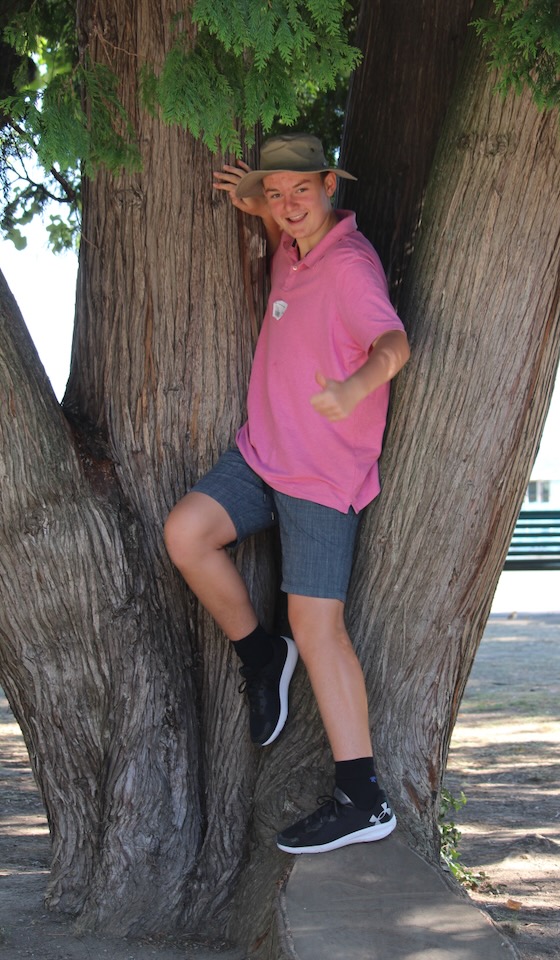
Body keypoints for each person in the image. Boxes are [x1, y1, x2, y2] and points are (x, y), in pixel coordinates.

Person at [164, 133, 410, 854]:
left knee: (318, 626)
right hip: (262, 456)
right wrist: (260, 203)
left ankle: (363, 798)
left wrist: (355, 388)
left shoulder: (349, 266)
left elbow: (394, 343)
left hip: (323, 475)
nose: (288, 205)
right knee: (186, 534)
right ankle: (260, 656)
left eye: (301, 189)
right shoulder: (294, 245)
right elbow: (280, 221)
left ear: (331, 184)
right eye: (276, 195)